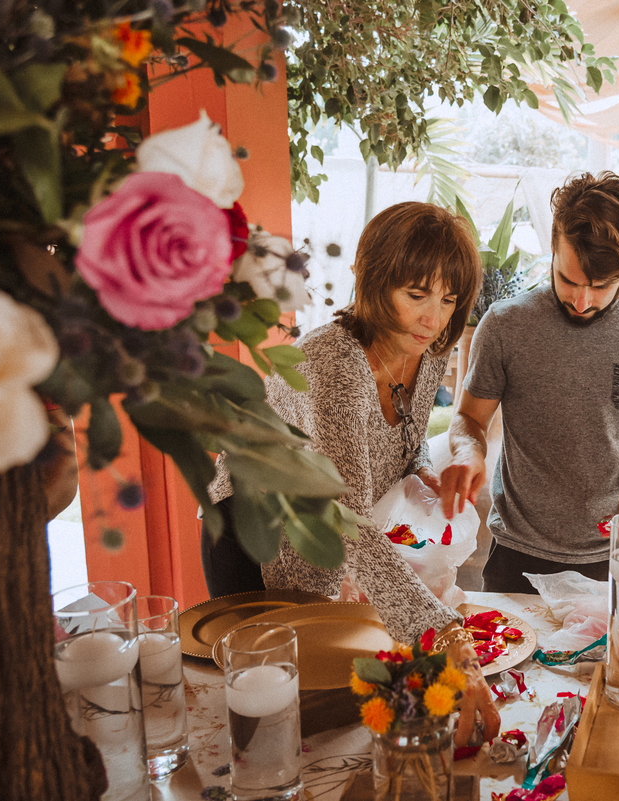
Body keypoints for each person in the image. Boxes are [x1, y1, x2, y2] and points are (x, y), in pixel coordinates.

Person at [207, 202, 497, 745]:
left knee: (351, 714)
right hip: (253, 531)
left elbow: (406, 445)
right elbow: (353, 528)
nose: (434, 319)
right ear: (375, 282)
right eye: (416, 295)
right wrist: (448, 639)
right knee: (278, 719)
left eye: (448, 299)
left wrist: (425, 471)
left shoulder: (427, 350)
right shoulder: (331, 365)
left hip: (331, 527)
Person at [439, 172, 619, 593]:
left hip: (615, 554)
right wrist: (468, 451)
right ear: (553, 249)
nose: (582, 300)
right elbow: (469, 418)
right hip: (516, 555)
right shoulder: (505, 324)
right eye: (569, 280)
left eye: (600, 286)